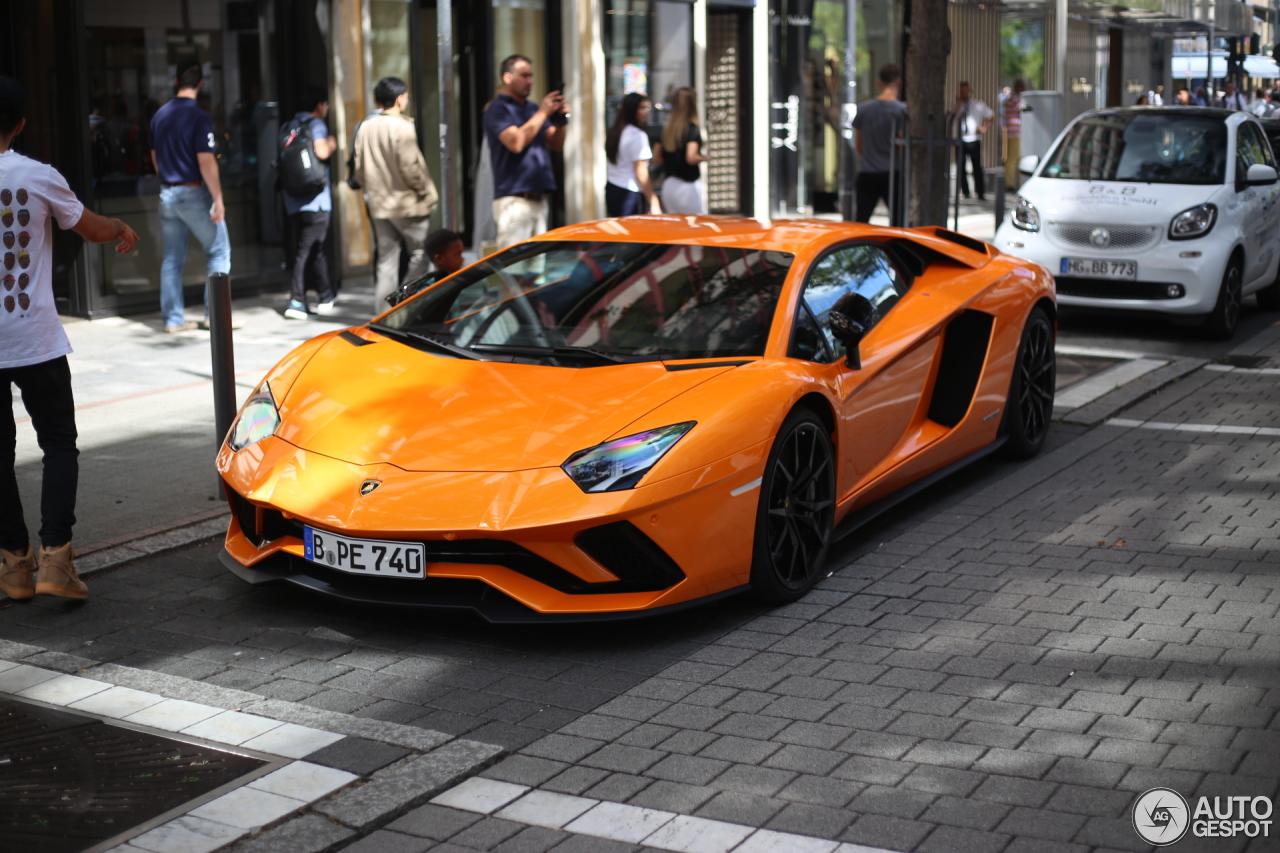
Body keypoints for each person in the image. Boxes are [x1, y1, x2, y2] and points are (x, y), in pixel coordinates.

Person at [0, 76, 140, 601]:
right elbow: (91, 228)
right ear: (20, 124)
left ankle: (14, 564)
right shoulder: (37, 176)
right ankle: (56, 560)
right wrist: (121, 226)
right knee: (58, 443)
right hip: (34, 337)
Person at [150, 61, 230, 333]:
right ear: (200, 84)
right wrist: (218, 198)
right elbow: (206, 161)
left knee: (172, 259)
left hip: (167, 193)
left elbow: (154, 157)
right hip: (192, 192)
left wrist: (168, 181)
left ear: (175, 82)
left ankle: (173, 320)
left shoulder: (159, 115)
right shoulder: (199, 116)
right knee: (219, 250)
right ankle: (216, 317)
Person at [354, 76, 439, 308]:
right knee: (419, 255)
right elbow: (410, 167)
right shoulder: (402, 127)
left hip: (380, 205)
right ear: (400, 98)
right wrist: (425, 192)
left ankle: (382, 314)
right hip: (408, 203)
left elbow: (359, 168)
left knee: (386, 262)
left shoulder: (366, 126)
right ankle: (406, 306)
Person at [484, 55, 568, 250]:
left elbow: (556, 143)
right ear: (507, 77)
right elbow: (516, 143)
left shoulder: (532, 108)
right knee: (513, 268)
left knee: (537, 268)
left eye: (531, 76)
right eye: (524, 75)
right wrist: (543, 112)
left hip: (539, 198)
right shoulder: (497, 109)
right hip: (514, 199)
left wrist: (560, 120)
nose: (529, 81)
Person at [281, 86, 337, 319]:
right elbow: (322, 152)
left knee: (314, 248)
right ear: (319, 105)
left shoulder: (287, 126)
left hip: (294, 199)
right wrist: (333, 142)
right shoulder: (316, 124)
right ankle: (297, 301)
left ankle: (325, 295)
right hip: (317, 200)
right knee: (308, 250)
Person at [852, 63, 907, 224]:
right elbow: (902, 145)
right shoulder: (902, 110)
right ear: (899, 82)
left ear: (879, 83)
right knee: (898, 222)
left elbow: (859, 144)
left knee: (861, 221)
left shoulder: (863, 109)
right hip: (892, 172)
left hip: (867, 172)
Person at [605, 93, 661, 217]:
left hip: (613, 188)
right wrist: (653, 200)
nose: (647, 112)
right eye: (642, 108)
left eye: (648, 107)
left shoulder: (615, 132)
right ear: (631, 110)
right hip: (630, 192)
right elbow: (641, 171)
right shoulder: (637, 135)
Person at [655, 87, 708, 214]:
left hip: (669, 186)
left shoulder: (666, 129)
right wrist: (705, 158)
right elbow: (691, 157)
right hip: (687, 187)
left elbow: (656, 158)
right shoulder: (692, 129)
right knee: (697, 226)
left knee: (674, 227)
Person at [385, 229, 465, 306]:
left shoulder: (455, 280)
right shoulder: (432, 289)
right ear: (439, 259)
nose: (462, 259)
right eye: (457, 255)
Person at [953, 81, 993, 200]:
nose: (964, 93)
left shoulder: (978, 104)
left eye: (965, 91)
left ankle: (980, 192)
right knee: (961, 166)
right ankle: (965, 192)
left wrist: (983, 128)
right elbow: (953, 118)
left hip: (973, 139)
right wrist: (959, 103)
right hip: (960, 139)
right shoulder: (956, 105)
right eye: (962, 91)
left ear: (969, 92)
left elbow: (990, 115)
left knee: (977, 167)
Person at [1002, 79, 1027, 193]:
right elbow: (1024, 110)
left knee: (1017, 159)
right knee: (1013, 159)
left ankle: (1015, 182)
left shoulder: (1011, 100)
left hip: (1014, 132)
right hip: (1015, 132)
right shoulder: (1015, 101)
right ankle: (1009, 183)